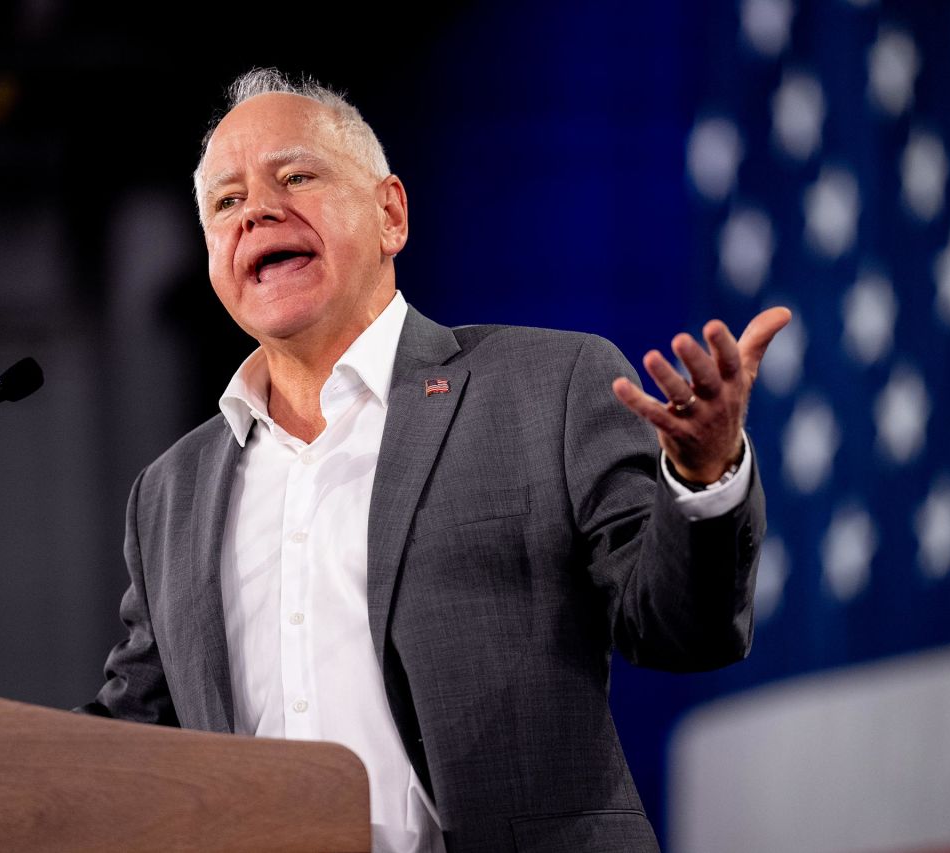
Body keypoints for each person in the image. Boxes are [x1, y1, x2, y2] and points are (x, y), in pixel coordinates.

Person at [81, 68, 790, 853]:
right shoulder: (171, 492)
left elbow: (683, 631)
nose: (258, 211)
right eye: (226, 201)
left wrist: (703, 478)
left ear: (390, 214)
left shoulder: (543, 388)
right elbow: (135, 736)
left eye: (295, 176)